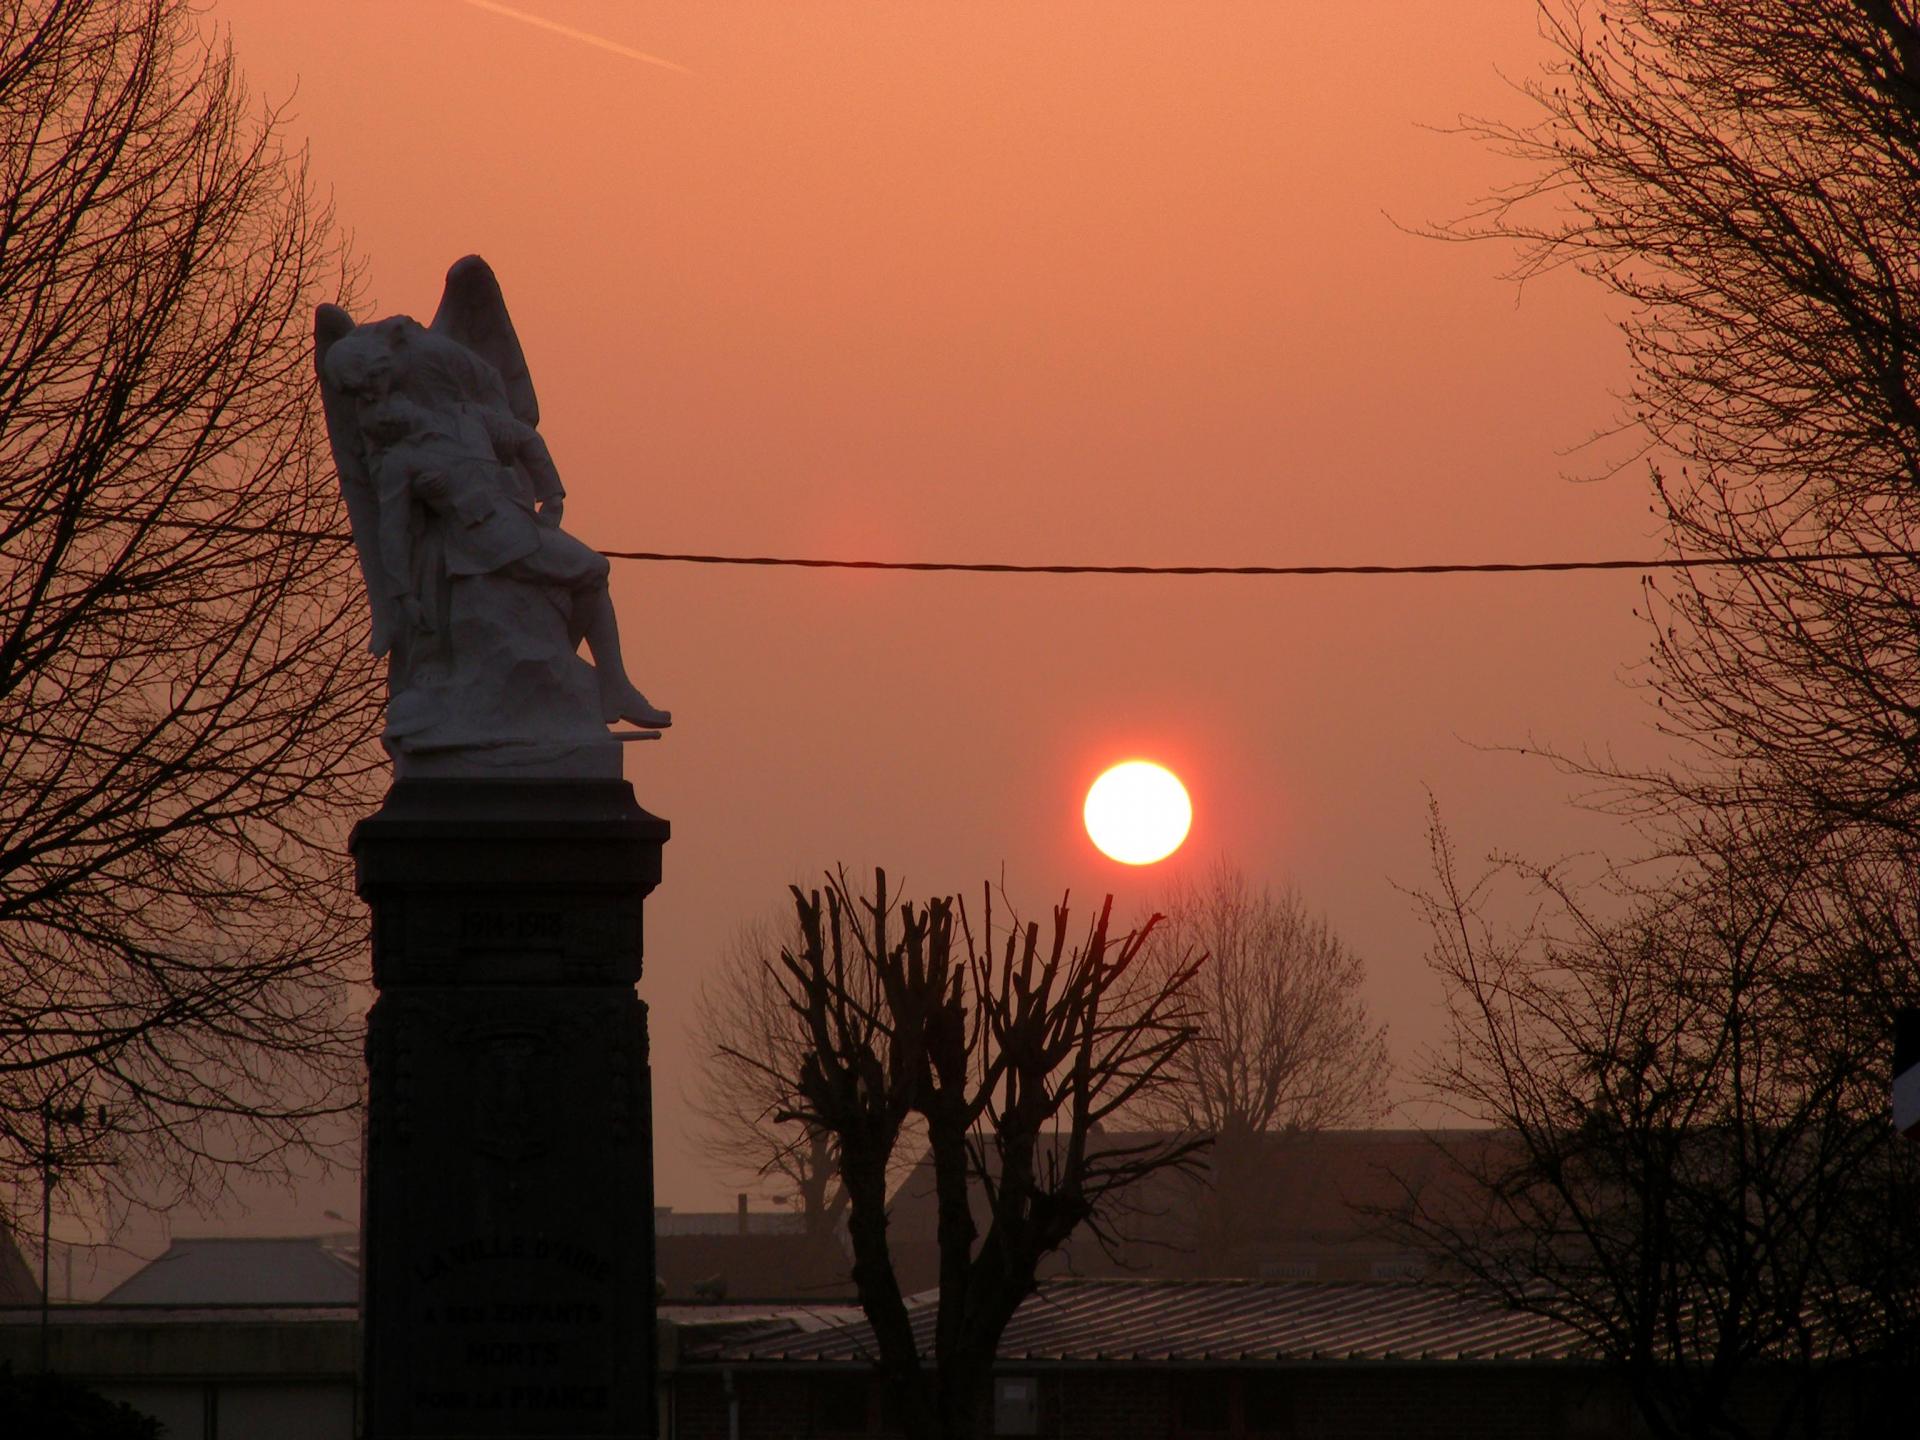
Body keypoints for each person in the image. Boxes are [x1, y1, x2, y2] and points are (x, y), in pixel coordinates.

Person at [322, 316, 670, 732]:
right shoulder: (402, 461)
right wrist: (400, 593)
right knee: (592, 571)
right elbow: (391, 532)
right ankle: (604, 683)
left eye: (381, 393)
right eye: (371, 402)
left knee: (591, 573)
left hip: (516, 523)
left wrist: (552, 493)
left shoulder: (463, 413)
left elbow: (523, 437)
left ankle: (592, 678)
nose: (380, 403)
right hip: (483, 542)